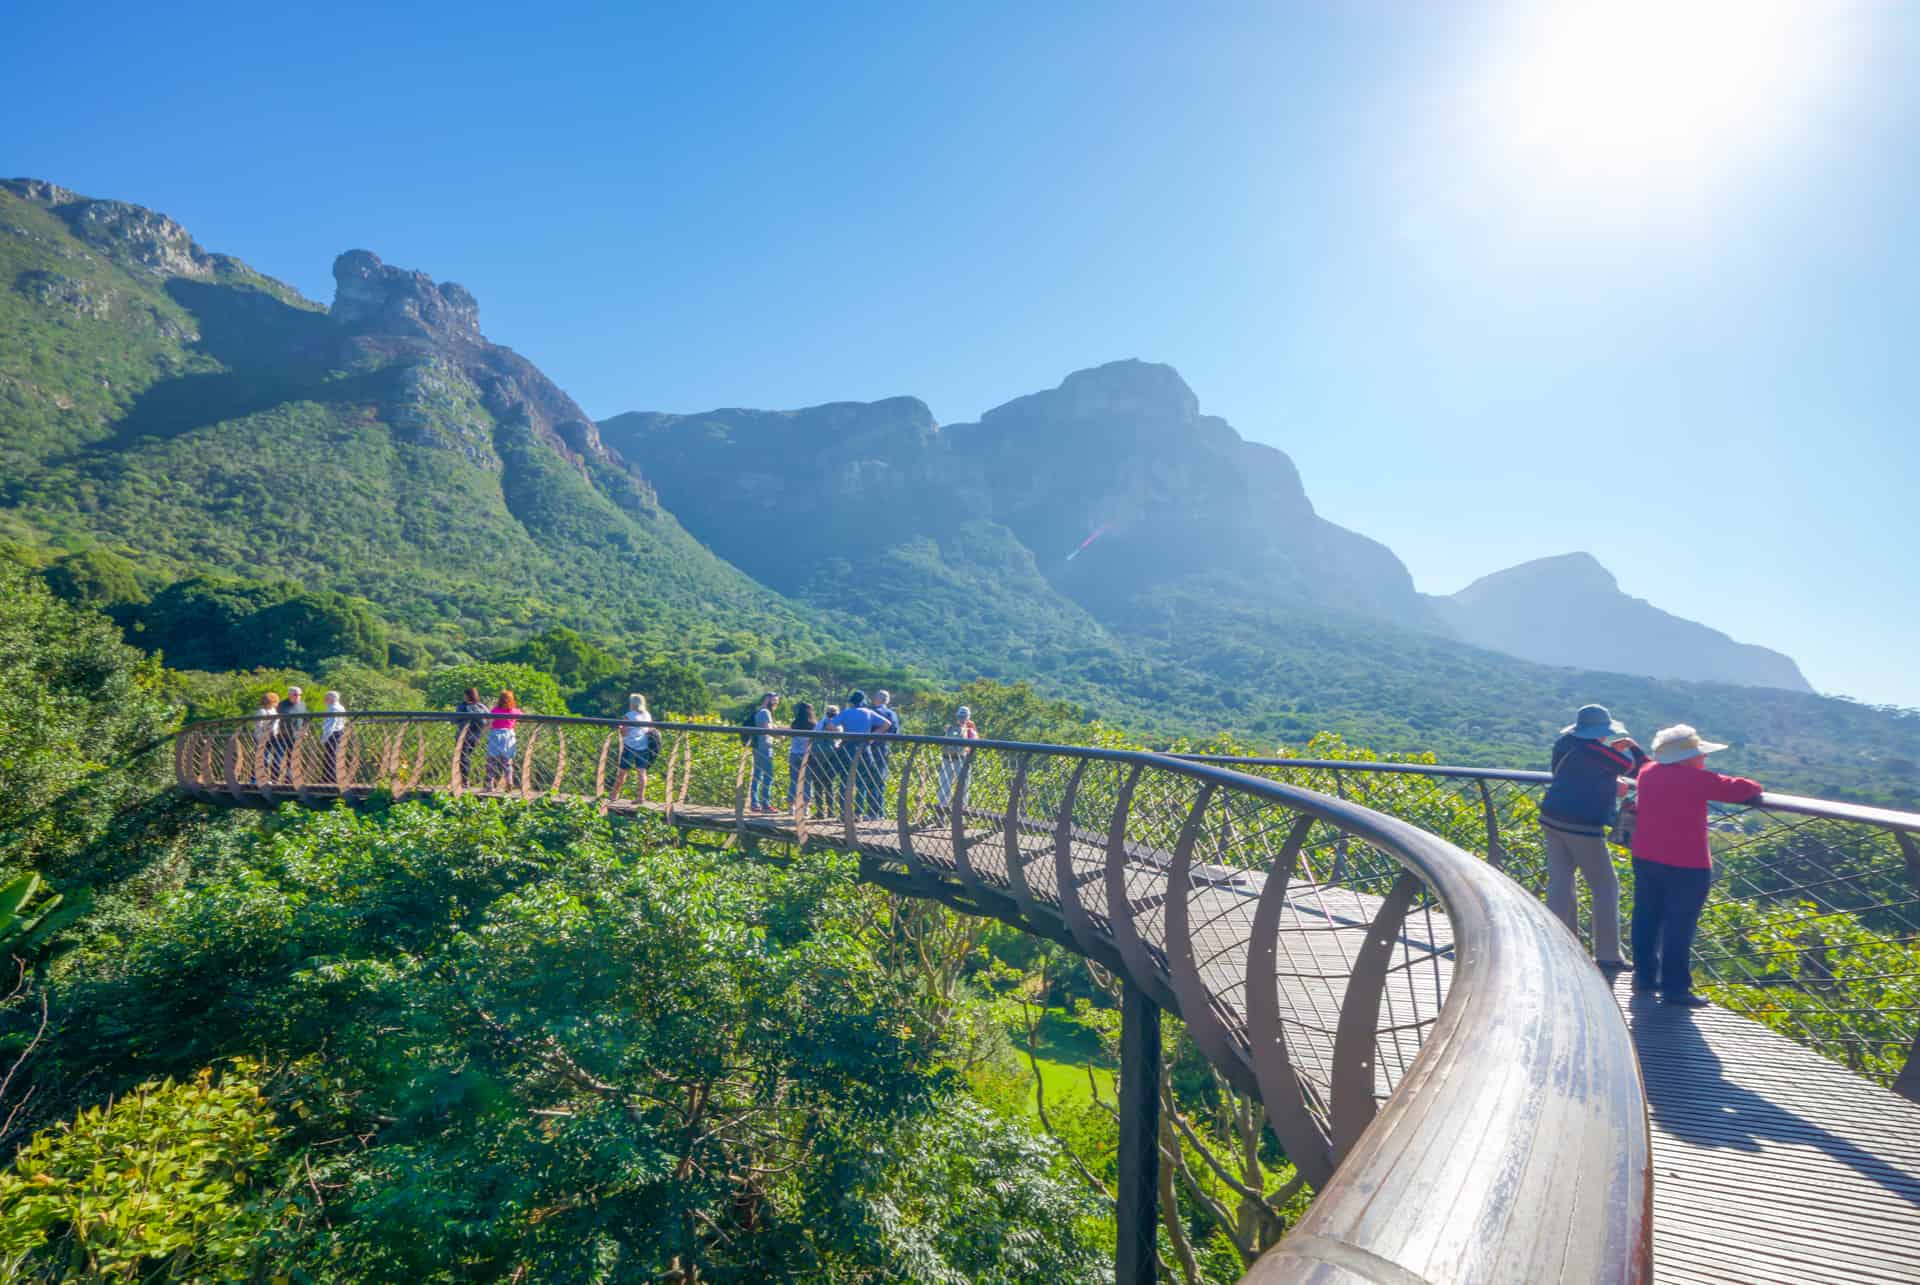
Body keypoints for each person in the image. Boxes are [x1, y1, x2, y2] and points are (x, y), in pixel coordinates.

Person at [1630, 724, 1763, 1008]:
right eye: (1700, 754)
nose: (1704, 759)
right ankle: (1675, 988)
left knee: (1646, 916)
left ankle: (1643, 976)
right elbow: (1746, 789)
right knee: (1679, 925)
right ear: (1687, 758)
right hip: (1686, 864)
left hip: (1645, 856)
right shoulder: (1695, 779)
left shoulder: (1647, 773)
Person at [1540, 704, 1649, 971]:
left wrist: (1611, 784)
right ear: (1602, 731)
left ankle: (1560, 943)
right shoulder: (1602, 753)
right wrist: (1632, 747)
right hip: (1582, 825)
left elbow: (1568, 775)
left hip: (1552, 817)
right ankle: (1608, 954)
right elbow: (1641, 771)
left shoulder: (1565, 743)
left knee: (1561, 882)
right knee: (1605, 886)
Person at [833, 690, 894, 820]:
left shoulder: (846, 713)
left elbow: (830, 726)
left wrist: (841, 736)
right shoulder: (869, 713)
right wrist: (872, 737)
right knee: (861, 781)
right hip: (864, 749)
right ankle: (858, 813)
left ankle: (844, 813)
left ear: (852, 702)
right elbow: (887, 724)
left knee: (845, 780)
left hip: (847, 747)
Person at [612, 692, 660, 807]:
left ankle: (614, 795)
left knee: (623, 772)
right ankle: (640, 797)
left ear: (632, 704)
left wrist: (620, 728)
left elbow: (624, 733)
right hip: (643, 746)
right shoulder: (647, 715)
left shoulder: (628, 715)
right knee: (642, 772)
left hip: (630, 746)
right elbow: (649, 729)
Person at [937, 705, 979, 810]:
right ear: (968, 717)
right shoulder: (970, 730)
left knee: (944, 784)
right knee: (963, 785)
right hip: (962, 759)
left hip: (947, 758)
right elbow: (975, 743)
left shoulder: (949, 728)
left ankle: (942, 808)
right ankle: (961, 809)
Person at [809, 704, 843, 817]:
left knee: (818, 784)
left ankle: (820, 811)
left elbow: (812, 737)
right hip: (831, 755)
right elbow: (839, 738)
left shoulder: (820, 723)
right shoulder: (838, 725)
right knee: (828, 784)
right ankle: (830, 811)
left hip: (817, 755)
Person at [871, 689, 901, 814]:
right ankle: (879, 811)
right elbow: (895, 731)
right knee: (880, 779)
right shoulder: (892, 714)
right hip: (884, 748)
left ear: (877, 699)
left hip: (870, 747)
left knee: (868, 779)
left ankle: (869, 811)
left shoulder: (872, 712)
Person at [749, 692, 780, 813]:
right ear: (767, 700)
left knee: (757, 775)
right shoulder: (765, 712)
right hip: (765, 747)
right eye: (774, 701)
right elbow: (768, 730)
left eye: (777, 701)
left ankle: (755, 803)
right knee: (768, 775)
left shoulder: (759, 711)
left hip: (758, 746)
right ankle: (765, 804)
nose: (776, 704)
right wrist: (780, 736)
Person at [485, 689, 520, 792]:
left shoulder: (495, 710)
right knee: (507, 761)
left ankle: (489, 785)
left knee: (491, 761)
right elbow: (521, 715)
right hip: (509, 735)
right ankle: (509, 781)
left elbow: (489, 723)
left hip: (496, 734)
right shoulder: (514, 711)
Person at [453, 687, 488, 789]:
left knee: (463, 758)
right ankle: (464, 781)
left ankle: (464, 781)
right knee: (466, 757)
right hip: (476, 736)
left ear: (467, 695)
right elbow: (488, 719)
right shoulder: (481, 706)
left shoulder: (463, 706)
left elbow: (454, 719)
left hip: (463, 736)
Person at [273, 686, 308, 784]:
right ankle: (274, 779)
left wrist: (305, 731)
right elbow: (274, 719)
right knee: (278, 757)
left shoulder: (302, 705)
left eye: (300, 695)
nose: (298, 696)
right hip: (282, 736)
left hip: (296, 736)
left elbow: (306, 719)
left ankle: (289, 779)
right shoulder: (281, 705)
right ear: (289, 695)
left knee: (292, 758)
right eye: (296, 694)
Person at [787, 701, 817, 811]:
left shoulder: (795, 723)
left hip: (794, 754)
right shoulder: (814, 724)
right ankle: (805, 807)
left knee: (793, 780)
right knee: (807, 781)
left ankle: (791, 807)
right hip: (807, 755)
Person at [251, 691, 280, 785]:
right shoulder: (262, 711)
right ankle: (255, 779)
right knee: (261, 758)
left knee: (267, 758)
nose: (277, 703)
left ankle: (263, 778)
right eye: (276, 701)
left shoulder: (273, 711)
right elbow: (259, 726)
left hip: (271, 737)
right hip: (262, 738)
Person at [321, 690, 348, 786]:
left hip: (333, 734)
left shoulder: (333, 708)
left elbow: (331, 724)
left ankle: (329, 779)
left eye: (326, 698)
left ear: (331, 699)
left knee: (330, 756)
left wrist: (324, 738)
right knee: (333, 756)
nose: (325, 700)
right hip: (339, 732)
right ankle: (330, 778)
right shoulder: (341, 707)